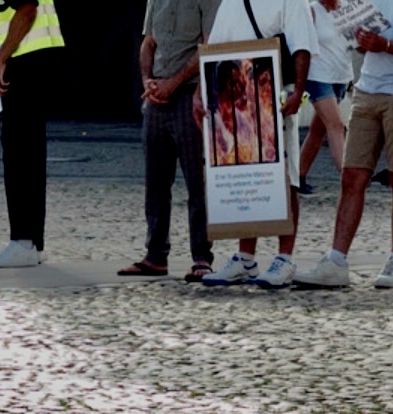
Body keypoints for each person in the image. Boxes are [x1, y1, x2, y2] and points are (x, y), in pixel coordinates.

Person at [295, 0, 393, 290]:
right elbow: (365, 45)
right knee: (352, 175)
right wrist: (363, 41)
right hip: (368, 88)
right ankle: (336, 260)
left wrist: (386, 45)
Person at [196, 0, 315, 289]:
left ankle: (284, 258)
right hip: (234, 96)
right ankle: (245, 257)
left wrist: (298, 90)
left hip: (272, 93)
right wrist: (200, 92)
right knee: (242, 172)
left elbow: (302, 46)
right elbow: (213, 47)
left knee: (285, 176)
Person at [125, 0, 219, 281]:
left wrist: (175, 83)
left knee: (197, 183)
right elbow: (148, 43)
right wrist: (147, 80)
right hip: (156, 97)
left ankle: (202, 257)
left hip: (189, 96)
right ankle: (155, 255)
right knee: (155, 182)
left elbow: (208, 46)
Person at [0, 1, 67, 270]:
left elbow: (27, 9)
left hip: (26, 62)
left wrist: (2, 58)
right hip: (34, 58)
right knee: (30, 152)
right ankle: (32, 244)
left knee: (18, 153)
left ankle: (23, 241)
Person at [297, 0, 353, 195]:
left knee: (318, 130)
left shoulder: (348, 7)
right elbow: (301, 46)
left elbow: (357, 45)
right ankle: (348, 177)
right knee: (336, 125)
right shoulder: (311, 11)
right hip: (317, 76)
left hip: (340, 75)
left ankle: (298, 176)